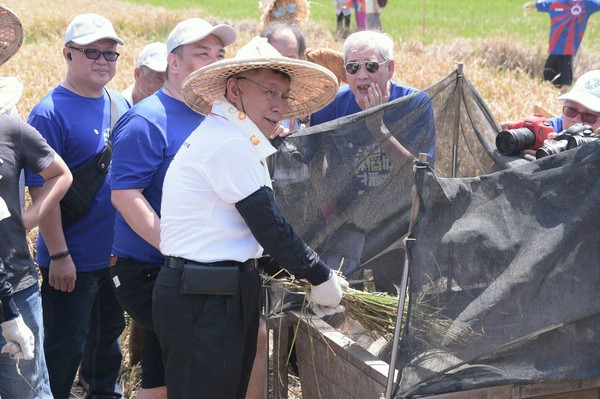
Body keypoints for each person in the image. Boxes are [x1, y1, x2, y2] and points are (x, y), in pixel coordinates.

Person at [153, 36, 345, 399]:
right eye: (270, 92)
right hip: (204, 297)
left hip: (213, 293)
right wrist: (319, 275)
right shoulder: (228, 143)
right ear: (234, 89)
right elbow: (270, 226)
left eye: (284, 96)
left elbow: (259, 234)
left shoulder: (230, 138)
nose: (279, 105)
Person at [108, 18, 237, 399]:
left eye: (219, 55)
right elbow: (125, 195)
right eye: (202, 54)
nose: (214, 62)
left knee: (163, 367)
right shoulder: (148, 120)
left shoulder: (218, 115)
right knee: (189, 358)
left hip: (193, 265)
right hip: (146, 268)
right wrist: (176, 244)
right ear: (173, 63)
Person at [24, 13, 129, 399]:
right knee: (63, 349)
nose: (103, 61)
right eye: (91, 52)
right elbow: (41, 191)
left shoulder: (119, 103)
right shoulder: (49, 112)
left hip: (113, 257)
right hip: (70, 262)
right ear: (68, 54)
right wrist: (60, 254)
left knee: (107, 344)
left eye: (110, 54)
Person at [308, 30, 436, 285]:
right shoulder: (330, 106)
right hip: (347, 216)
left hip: (397, 220)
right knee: (337, 291)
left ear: (391, 68)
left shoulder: (415, 104)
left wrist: (378, 129)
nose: (362, 75)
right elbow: (312, 159)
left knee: (391, 296)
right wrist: (327, 205)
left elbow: (419, 175)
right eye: (353, 68)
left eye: (371, 66)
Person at [0, 5, 72, 399]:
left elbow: (60, 174)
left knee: (26, 390)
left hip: (14, 284)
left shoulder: (11, 128)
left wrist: (27, 219)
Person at [524, 0, 600, 89]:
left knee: (565, 82)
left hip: (568, 49)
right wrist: (528, 6)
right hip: (554, 49)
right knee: (547, 78)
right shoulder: (555, 3)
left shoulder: (584, 4)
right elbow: (539, 4)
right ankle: (549, 98)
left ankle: (562, 99)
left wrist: (529, 6)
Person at [121, 42, 167, 106]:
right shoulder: (119, 108)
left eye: (168, 80)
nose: (165, 86)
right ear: (138, 74)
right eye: (158, 78)